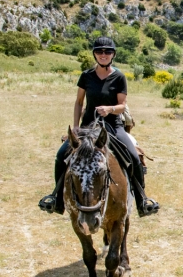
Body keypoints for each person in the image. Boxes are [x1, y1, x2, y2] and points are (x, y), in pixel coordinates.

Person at [38, 37, 159, 217]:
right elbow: (79, 102)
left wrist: (109, 109)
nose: (103, 55)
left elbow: (122, 105)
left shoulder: (119, 77)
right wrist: (76, 128)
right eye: (99, 51)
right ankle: (57, 199)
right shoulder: (86, 76)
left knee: (133, 156)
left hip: (113, 126)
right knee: (61, 155)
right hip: (88, 127)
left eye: (107, 52)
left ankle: (142, 200)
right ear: (94, 54)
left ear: (113, 55)